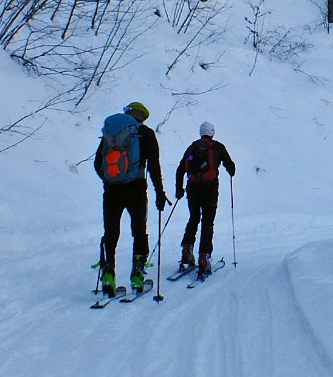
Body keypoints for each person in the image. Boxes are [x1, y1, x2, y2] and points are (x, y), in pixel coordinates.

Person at [93, 101, 169, 296]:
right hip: (136, 188)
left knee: (110, 232)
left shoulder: (112, 134)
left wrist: (110, 180)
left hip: (112, 189)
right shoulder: (146, 134)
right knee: (139, 230)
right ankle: (137, 275)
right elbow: (154, 166)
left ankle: (108, 275)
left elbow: (97, 163)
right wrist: (160, 193)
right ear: (141, 116)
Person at [175, 121, 236, 277]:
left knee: (194, 218)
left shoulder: (192, 147)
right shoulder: (218, 147)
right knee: (207, 222)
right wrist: (229, 169)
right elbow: (231, 167)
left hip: (192, 188)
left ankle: (187, 251)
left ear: (201, 132)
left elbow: (180, 169)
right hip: (209, 189)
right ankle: (204, 258)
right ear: (212, 133)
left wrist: (179, 190)